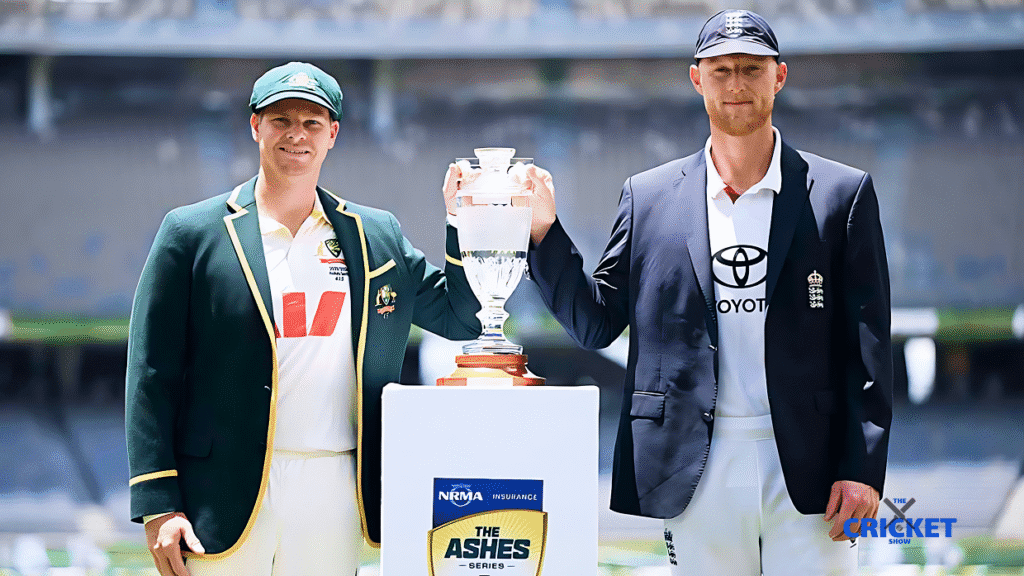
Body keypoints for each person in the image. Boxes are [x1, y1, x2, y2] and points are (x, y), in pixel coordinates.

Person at [517, 9, 892, 574]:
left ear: (779, 76)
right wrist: (544, 233)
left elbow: (869, 347)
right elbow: (597, 324)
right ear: (697, 79)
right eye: (721, 71)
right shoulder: (649, 198)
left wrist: (862, 467)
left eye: (751, 69)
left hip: (811, 468)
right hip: (695, 467)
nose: (737, 85)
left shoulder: (842, 194)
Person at [126, 61, 481, 576]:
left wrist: (462, 222)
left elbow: (462, 318)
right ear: (255, 126)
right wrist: (159, 502)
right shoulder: (191, 232)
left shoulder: (374, 235)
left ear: (333, 133)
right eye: (280, 119)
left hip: (335, 484)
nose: (297, 134)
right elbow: (151, 373)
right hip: (220, 493)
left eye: (312, 122)